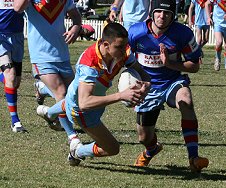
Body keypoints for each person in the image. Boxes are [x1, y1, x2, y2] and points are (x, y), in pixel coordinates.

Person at [35, 23, 151, 166]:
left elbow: (144, 74)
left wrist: (146, 85)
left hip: (82, 97)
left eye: (125, 45)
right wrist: (121, 95)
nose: (125, 50)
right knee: (113, 148)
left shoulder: (123, 52)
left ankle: (48, 112)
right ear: (106, 45)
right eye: (119, 47)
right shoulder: (89, 64)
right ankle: (77, 151)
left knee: (68, 101)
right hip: (82, 111)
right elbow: (84, 103)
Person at [128, 0, 209, 172]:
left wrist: (170, 64)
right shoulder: (136, 32)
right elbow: (124, 58)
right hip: (147, 87)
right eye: (158, 12)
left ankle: (193, 158)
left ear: (173, 16)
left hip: (172, 81)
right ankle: (151, 150)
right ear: (152, 13)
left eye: (167, 13)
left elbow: (194, 65)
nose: (162, 16)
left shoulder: (183, 34)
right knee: (143, 136)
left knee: (185, 100)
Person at [14, 1, 82, 143]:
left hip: (62, 54)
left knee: (75, 96)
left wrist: (76, 28)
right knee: (62, 94)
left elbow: (75, 16)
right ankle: (72, 137)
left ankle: (44, 94)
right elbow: (17, 8)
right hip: (41, 55)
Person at [0, 1, 27, 132]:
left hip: (17, 37)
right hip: (1, 36)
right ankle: (15, 121)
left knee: (15, 82)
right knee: (10, 75)